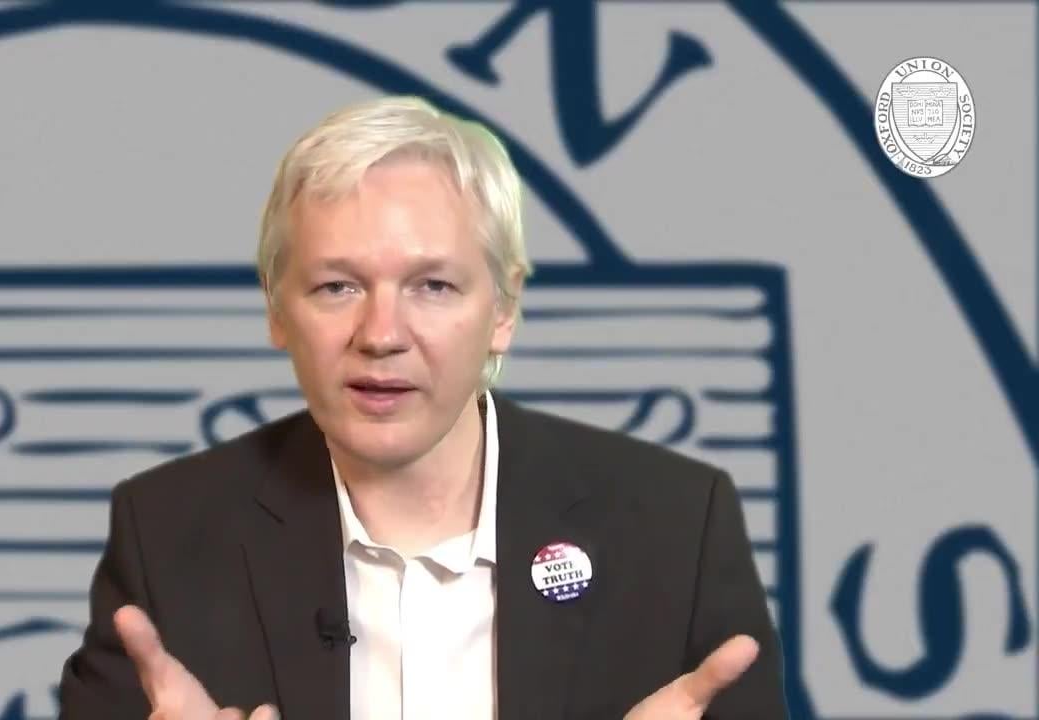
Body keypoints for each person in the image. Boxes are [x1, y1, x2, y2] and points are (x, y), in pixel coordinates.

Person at [57, 95, 788, 719]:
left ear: (503, 309)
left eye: (432, 286)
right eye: (337, 287)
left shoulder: (676, 529)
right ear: (277, 309)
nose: (381, 335)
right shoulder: (166, 537)